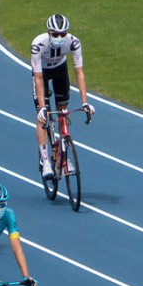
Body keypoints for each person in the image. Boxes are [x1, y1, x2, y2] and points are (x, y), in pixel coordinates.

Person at [31, 14, 95, 179]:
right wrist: (42, 107)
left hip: (60, 70)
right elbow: (38, 78)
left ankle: (63, 153)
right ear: (49, 32)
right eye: (55, 34)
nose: (59, 37)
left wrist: (85, 102)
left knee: (63, 112)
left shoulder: (73, 42)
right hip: (42, 72)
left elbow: (79, 73)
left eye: (63, 34)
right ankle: (45, 160)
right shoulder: (38, 44)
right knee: (42, 117)